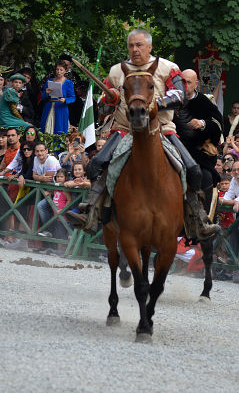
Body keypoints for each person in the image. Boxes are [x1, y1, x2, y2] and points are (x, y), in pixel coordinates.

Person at [67, 28, 219, 239]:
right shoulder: (116, 71)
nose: (135, 50)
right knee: (95, 164)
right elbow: (103, 103)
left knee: (193, 168)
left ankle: (197, 219)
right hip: (123, 130)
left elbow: (180, 95)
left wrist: (154, 104)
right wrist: (109, 98)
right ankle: (92, 212)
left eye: (139, 45)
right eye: (131, 46)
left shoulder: (168, 67)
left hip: (162, 130)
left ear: (149, 47)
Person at [173, 68, 223, 227]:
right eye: (182, 82)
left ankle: (203, 220)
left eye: (188, 82)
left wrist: (202, 123)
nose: (185, 85)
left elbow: (218, 125)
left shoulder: (205, 103)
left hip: (197, 153)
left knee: (205, 176)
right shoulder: (171, 100)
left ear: (196, 84)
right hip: (173, 148)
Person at [40, 61, 75, 135]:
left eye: (61, 70)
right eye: (57, 69)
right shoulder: (49, 81)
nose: (59, 72)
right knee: (46, 127)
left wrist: (65, 100)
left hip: (61, 107)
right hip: (48, 106)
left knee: (59, 128)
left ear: (65, 71)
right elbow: (43, 97)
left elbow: (73, 97)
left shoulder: (68, 83)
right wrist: (46, 93)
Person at [37, 168, 71, 243]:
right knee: (58, 233)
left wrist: (63, 209)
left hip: (63, 216)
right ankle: (57, 249)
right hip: (55, 214)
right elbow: (53, 192)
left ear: (65, 178)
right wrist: (49, 193)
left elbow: (69, 200)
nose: (59, 178)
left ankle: (62, 250)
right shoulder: (56, 187)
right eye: (58, 177)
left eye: (61, 177)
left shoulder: (65, 189)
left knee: (62, 235)